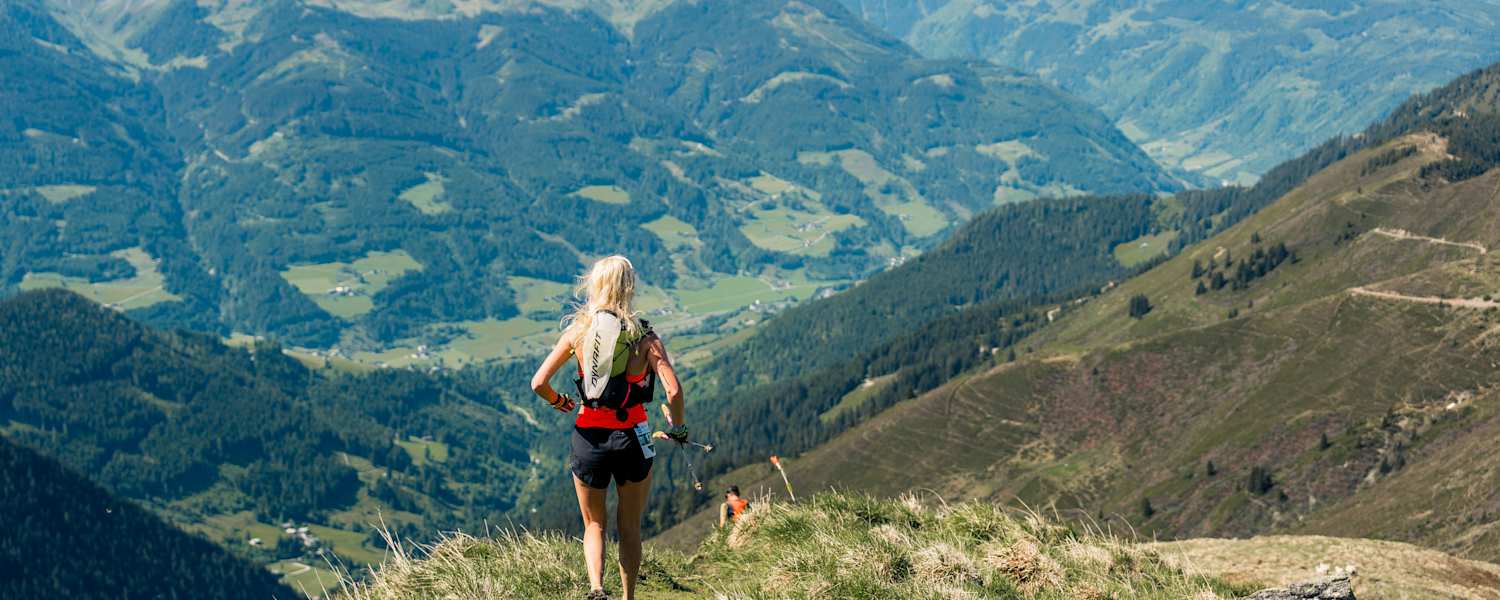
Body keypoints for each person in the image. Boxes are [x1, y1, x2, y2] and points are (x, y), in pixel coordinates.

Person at [531, 255, 686, 600]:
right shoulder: (645, 336)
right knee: (629, 527)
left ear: (595, 285)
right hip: (632, 437)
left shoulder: (579, 332)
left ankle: (597, 588)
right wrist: (678, 427)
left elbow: (538, 382)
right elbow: (673, 390)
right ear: (629, 288)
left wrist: (561, 402)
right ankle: (628, 597)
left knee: (594, 524)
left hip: (589, 438)